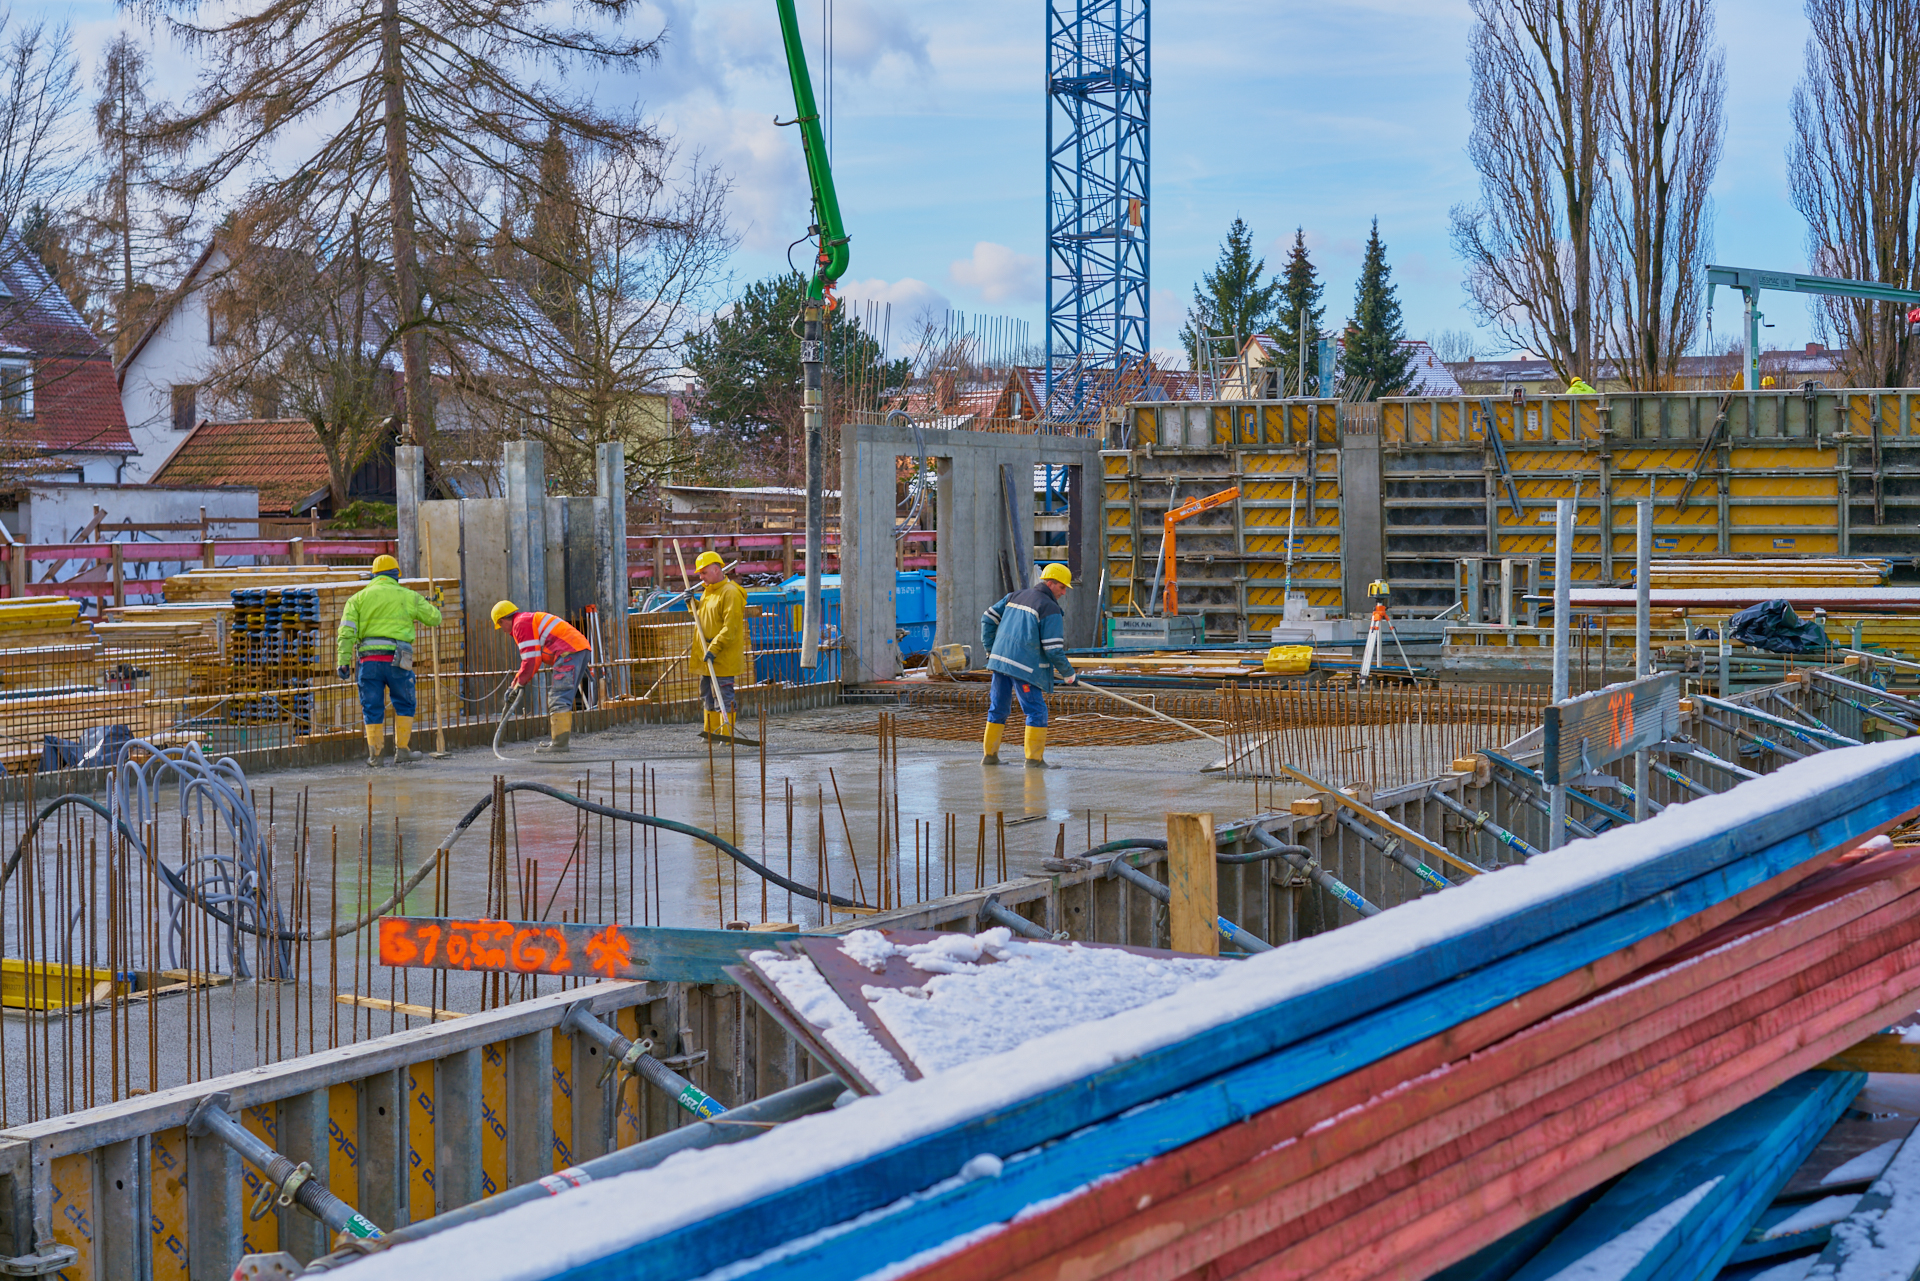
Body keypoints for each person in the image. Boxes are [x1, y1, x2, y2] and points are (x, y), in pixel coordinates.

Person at [336, 554, 442, 767]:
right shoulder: (408, 596)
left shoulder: (357, 599)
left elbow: (346, 633)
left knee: (372, 706)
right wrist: (434, 603)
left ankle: (376, 757)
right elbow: (434, 618)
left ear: (373, 575)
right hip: (399, 659)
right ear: (396, 575)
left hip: (369, 661)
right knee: (404, 702)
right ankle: (402, 751)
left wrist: (343, 661)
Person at [979, 563, 1076, 769]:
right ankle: (1034, 760)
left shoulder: (1014, 596)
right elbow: (1053, 649)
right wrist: (1068, 674)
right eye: (1061, 587)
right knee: (1036, 711)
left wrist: (991, 651)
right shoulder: (1049, 608)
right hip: (1023, 668)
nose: (1064, 592)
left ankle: (990, 756)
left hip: (1000, 663)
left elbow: (987, 618)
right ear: (1050, 583)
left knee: (998, 709)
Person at [492, 599, 592, 754]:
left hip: (568, 652)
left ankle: (559, 745)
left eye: (501, 626)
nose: (504, 631)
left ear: (503, 620)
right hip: (579, 649)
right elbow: (532, 659)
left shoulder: (520, 624)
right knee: (563, 698)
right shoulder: (527, 619)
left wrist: (520, 683)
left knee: (558, 698)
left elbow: (531, 660)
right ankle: (558, 742)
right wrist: (515, 683)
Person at [690, 550, 749, 741]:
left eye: (703, 573)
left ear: (716, 570)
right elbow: (704, 619)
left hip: (721, 657)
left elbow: (730, 628)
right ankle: (711, 733)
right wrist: (691, 604)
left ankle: (726, 734)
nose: (701, 577)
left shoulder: (730, 593)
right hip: (707, 657)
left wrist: (714, 649)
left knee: (723, 697)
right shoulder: (710, 592)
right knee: (707, 695)